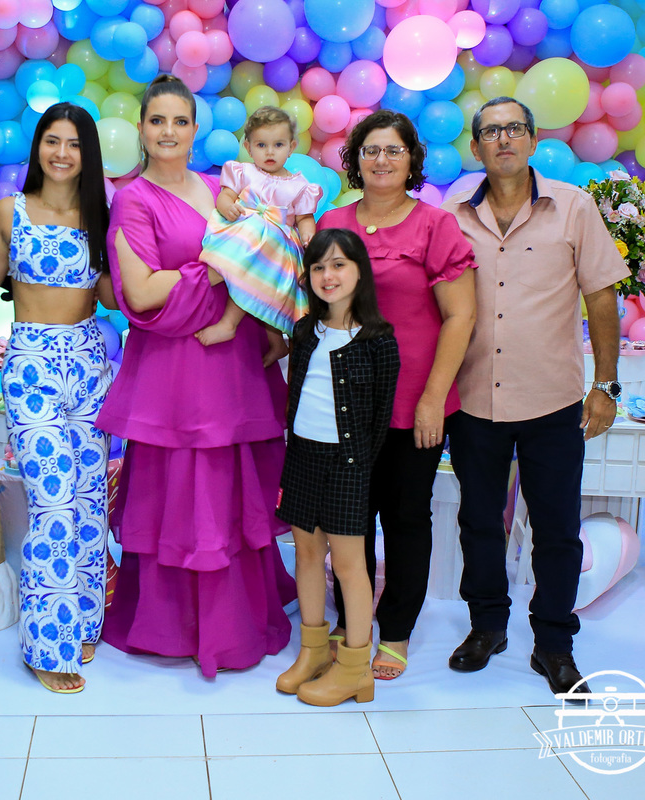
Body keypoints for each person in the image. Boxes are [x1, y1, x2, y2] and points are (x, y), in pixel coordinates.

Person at [97, 74, 296, 677]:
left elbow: (269, 256)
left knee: (231, 493)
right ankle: (173, 626)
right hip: (174, 375)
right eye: (157, 120)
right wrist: (216, 267)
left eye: (180, 121)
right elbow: (142, 293)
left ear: (195, 129)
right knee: (180, 493)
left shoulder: (221, 189)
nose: (169, 132)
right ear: (141, 129)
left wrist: (249, 292)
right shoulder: (133, 200)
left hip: (233, 366)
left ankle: (236, 622)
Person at [442, 97, 626, 696]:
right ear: (476, 147)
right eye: (491, 131)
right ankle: (487, 628)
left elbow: (601, 295)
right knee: (479, 522)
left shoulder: (573, 207)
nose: (503, 139)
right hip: (473, 399)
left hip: (552, 400)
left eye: (514, 129)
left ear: (533, 139)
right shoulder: (452, 214)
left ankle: (553, 644)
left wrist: (605, 385)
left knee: (556, 529)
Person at [317, 110, 478, 680]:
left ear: (412, 160)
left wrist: (434, 398)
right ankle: (350, 620)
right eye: (370, 150)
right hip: (342, 403)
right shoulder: (334, 221)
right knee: (348, 519)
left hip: (414, 400)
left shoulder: (436, 225)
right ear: (355, 160)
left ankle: (396, 630)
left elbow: (460, 316)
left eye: (393, 150)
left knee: (406, 517)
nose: (381, 160)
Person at [0, 103, 114, 694]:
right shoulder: (11, 211)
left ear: (87, 153)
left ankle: (81, 622)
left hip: (90, 364)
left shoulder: (99, 215)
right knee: (53, 501)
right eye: (52, 140)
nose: (62, 153)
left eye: (74, 143)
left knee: (89, 501)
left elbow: (114, 293)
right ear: (38, 147)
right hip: (32, 366)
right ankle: (47, 645)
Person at [276, 229, 400, 706]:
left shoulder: (378, 341)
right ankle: (312, 652)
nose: (328, 275)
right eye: (318, 267)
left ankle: (353, 669)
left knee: (349, 565)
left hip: (349, 464)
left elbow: (380, 418)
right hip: (302, 457)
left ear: (360, 271)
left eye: (338, 264)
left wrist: (358, 468)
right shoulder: (305, 331)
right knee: (306, 555)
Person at [194, 106, 322, 362]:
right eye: (261, 145)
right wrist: (227, 207)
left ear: (292, 147)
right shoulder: (244, 172)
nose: (270, 152)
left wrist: (309, 237)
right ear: (249, 147)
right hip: (245, 235)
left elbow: (305, 218)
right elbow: (225, 196)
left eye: (278, 145)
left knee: (269, 290)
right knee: (250, 272)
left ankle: (248, 331)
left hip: (277, 248)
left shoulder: (300, 186)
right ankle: (239, 327)